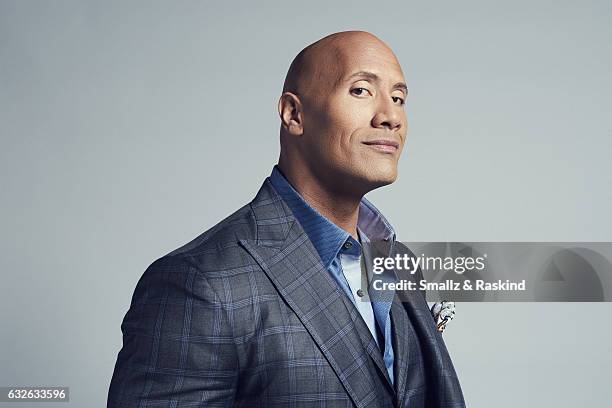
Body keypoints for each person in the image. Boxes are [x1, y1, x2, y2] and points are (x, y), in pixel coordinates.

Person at [108, 31, 465, 408]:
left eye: (398, 98)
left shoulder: (400, 263)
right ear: (294, 114)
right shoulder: (200, 283)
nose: (391, 116)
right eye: (361, 91)